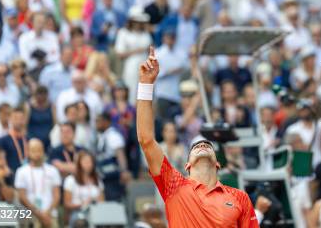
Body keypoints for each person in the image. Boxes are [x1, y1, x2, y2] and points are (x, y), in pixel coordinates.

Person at [137, 46, 259, 227]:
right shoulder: (174, 186)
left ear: (218, 163)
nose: (202, 145)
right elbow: (146, 140)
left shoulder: (239, 197)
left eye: (207, 145)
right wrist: (146, 84)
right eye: (195, 147)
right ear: (187, 166)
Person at [15, 138, 61, 228]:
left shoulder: (53, 170)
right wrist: (38, 214)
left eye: (39, 150)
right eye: (33, 150)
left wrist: (47, 213)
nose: (37, 154)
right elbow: (22, 197)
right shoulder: (21, 171)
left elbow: (57, 195)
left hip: (50, 214)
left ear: (43, 151)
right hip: (30, 215)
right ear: (28, 152)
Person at [63, 150, 104, 226]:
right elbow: (67, 203)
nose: (88, 164)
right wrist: (82, 204)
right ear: (79, 163)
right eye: (85, 162)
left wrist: (94, 202)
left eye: (90, 162)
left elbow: (102, 201)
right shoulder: (70, 180)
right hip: (77, 213)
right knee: (81, 223)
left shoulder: (97, 180)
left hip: (96, 213)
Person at [95, 112, 130, 201]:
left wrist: (123, 171)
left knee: (114, 199)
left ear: (106, 122)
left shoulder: (113, 135)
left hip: (113, 175)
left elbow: (120, 154)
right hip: (105, 174)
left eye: (98, 121)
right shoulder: (103, 135)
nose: (96, 124)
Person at [0, 107, 27, 172]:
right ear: (10, 119)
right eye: (16, 118)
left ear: (25, 120)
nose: (19, 121)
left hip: (27, 176)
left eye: (21, 118)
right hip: (10, 175)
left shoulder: (29, 140)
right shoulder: (2, 141)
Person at [26, 85, 55, 151]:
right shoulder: (29, 107)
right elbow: (25, 125)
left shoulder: (52, 107)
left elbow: (55, 123)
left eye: (43, 96)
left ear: (46, 96)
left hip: (48, 140)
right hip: (32, 138)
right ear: (35, 96)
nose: (41, 98)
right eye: (39, 95)